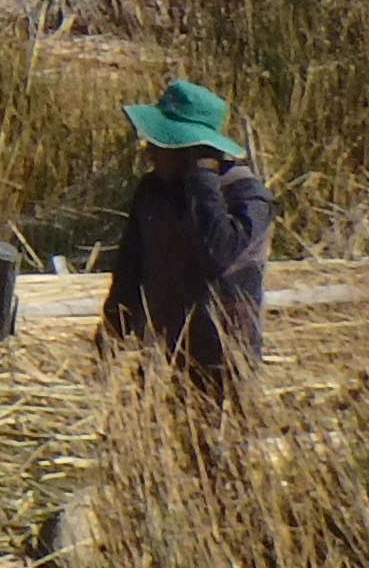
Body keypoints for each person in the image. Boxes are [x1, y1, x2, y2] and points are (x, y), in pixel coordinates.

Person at [98, 76, 270, 394]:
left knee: (219, 440)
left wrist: (202, 179)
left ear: (192, 151)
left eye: (162, 144)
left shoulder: (247, 197)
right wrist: (112, 330)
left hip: (225, 361)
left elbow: (218, 252)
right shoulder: (153, 191)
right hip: (164, 354)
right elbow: (130, 267)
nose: (149, 151)